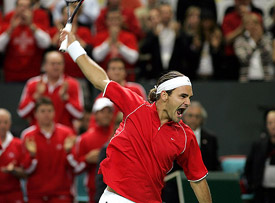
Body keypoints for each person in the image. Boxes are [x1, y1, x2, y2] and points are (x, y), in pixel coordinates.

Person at [59, 27, 212, 203]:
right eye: (183, 96)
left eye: (189, 97)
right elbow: (100, 80)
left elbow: (198, 180)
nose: (188, 103)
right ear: (164, 95)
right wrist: (73, 46)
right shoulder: (135, 106)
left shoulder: (186, 137)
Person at [20, 97, 76, 202]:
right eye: (42, 111)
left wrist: (68, 152)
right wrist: (32, 155)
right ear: (35, 114)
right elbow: (26, 170)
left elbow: (75, 167)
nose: (46, 114)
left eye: (49, 111)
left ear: (54, 113)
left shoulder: (67, 133)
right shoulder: (27, 135)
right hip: (36, 194)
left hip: (61, 193)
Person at [17, 50, 84, 130]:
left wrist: (66, 100)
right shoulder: (33, 84)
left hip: (64, 134)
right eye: (53, 64)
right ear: (44, 66)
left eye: (59, 64)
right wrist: (36, 97)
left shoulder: (72, 84)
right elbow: (22, 113)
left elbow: (79, 114)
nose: (56, 67)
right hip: (38, 134)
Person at [67, 97, 115, 203]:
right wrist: (87, 159)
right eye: (102, 112)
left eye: (109, 111)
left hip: (117, 190)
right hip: (94, 189)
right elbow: (75, 168)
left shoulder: (119, 134)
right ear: (95, 115)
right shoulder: (85, 138)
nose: (106, 115)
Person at [0, 0, 51, 82]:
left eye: (26, 7)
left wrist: (31, 25)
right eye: (20, 6)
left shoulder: (38, 19)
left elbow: (46, 44)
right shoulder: (9, 19)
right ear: (15, 8)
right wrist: (11, 29)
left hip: (33, 74)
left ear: (31, 9)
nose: (23, 9)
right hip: (11, 74)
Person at [92, 8, 139, 82]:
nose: (114, 22)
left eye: (117, 19)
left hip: (126, 79)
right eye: (111, 19)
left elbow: (133, 58)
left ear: (121, 20)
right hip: (103, 79)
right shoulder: (100, 36)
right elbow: (96, 56)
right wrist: (109, 42)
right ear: (106, 21)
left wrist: (119, 45)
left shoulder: (129, 36)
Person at [244, 109, 275, 203]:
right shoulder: (258, 146)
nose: (273, 126)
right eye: (270, 123)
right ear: (266, 125)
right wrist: (252, 185)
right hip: (261, 193)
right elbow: (248, 167)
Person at [234, 12, 273, 82]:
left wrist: (260, 40)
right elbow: (244, 59)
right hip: (246, 80)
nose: (253, 26)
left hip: (266, 79)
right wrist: (255, 42)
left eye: (255, 23)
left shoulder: (266, 39)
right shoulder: (240, 41)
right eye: (249, 23)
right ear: (244, 26)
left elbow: (269, 57)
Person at [183, 101, 220, 171]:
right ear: (184, 117)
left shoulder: (211, 138)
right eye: (190, 115)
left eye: (197, 116)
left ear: (202, 119)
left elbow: (214, 164)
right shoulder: (175, 136)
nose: (194, 119)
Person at [0, 108, 26, 203]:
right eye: (0, 122)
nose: (2, 126)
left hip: (13, 194)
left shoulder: (18, 144)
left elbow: (26, 173)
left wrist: (13, 170)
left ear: (10, 124)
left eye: (5, 122)